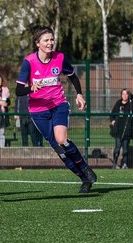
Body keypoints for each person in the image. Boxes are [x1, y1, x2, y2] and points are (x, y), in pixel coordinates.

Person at [14, 26, 96, 193]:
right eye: (46, 40)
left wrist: (79, 94)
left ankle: (85, 168)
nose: (50, 43)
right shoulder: (29, 62)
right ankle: (83, 179)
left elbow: (72, 76)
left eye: (52, 39)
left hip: (58, 105)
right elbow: (18, 90)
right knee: (59, 149)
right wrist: (31, 88)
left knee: (61, 139)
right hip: (38, 111)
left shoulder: (60, 58)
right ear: (38, 43)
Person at [109, 88, 133, 169]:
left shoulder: (132, 105)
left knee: (125, 148)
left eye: (126, 94)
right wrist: (112, 120)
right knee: (117, 147)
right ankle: (115, 164)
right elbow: (112, 114)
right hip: (118, 129)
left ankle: (125, 164)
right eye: (123, 94)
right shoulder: (118, 103)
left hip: (127, 130)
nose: (124, 96)